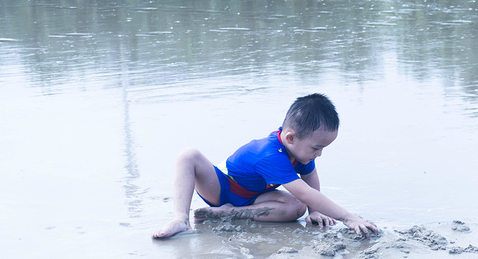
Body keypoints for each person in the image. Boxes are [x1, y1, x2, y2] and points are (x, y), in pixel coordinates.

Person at [152, 93, 377, 239]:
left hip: (256, 196)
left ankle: (228, 213)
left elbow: (310, 179)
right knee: (188, 155)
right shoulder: (268, 154)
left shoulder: (300, 150)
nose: (319, 154)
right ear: (290, 137)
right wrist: (349, 218)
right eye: (317, 148)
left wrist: (313, 211)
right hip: (222, 187)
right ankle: (180, 218)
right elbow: (305, 191)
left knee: (296, 208)